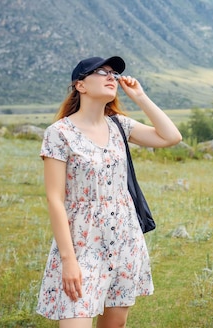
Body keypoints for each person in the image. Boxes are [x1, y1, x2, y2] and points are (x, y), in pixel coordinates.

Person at [36, 56, 182, 328]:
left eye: (113, 73)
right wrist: (68, 260)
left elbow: (171, 137)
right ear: (80, 85)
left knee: (113, 325)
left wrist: (140, 96)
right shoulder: (59, 133)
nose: (111, 77)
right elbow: (54, 199)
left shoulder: (119, 125)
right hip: (81, 243)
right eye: (101, 72)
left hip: (124, 240)